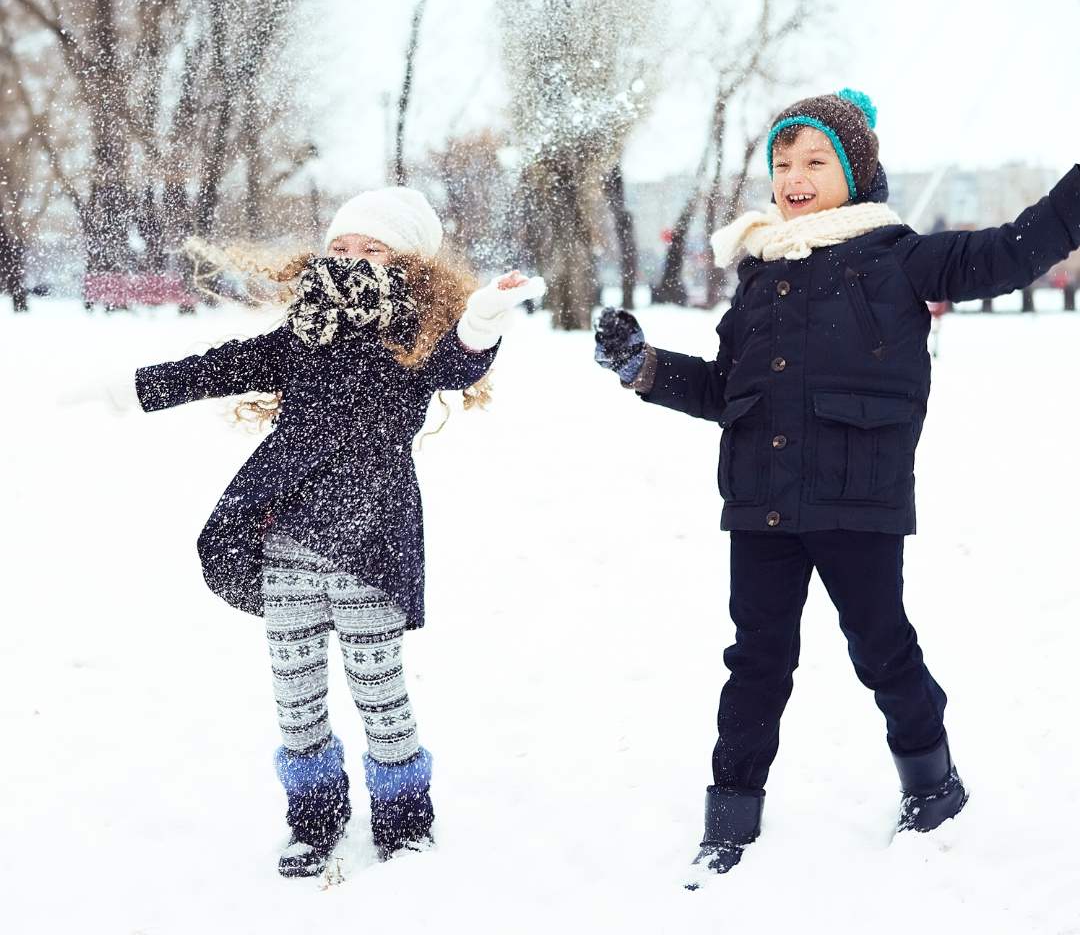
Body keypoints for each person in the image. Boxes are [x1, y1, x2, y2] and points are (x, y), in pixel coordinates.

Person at [593, 89, 1080, 883]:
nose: (794, 176)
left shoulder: (898, 255)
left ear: (856, 170)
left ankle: (933, 787)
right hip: (761, 499)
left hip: (858, 495)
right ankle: (731, 817)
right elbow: (725, 390)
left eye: (815, 160)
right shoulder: (758, 273)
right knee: (756, 660)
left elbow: (1010, 251)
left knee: (882, 646)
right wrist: (641, 367)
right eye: (783, 162)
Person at [128, 187, 543, 877]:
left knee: (380, 691)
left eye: (372, 248)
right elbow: (219, 367)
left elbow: (459, 363)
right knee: (294, 694)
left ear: (409, 263)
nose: (351, 260)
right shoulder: (302, 336)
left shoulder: (415, 334)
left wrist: (480, 320)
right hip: (288, 540)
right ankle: (313, 821)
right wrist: (132, 389)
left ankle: (405, 822)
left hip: (371, 544)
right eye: (341, 246)